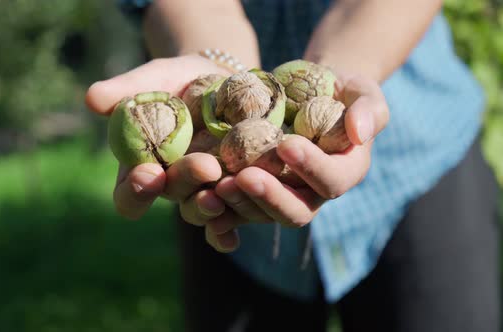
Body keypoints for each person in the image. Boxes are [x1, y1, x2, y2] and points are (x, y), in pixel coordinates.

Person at [85, 1, 501, 331]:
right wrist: (214, 58)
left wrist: (343, 67)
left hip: (419, 157)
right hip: (223, 208)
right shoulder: (217, 133)